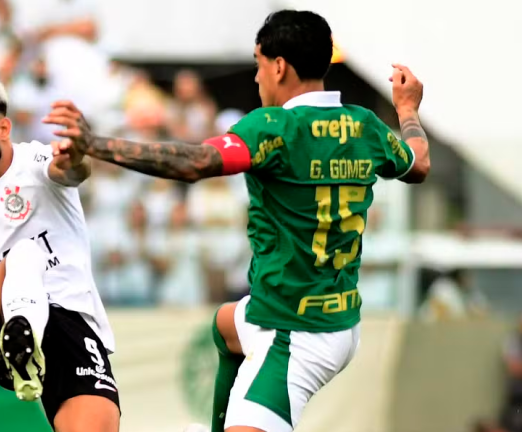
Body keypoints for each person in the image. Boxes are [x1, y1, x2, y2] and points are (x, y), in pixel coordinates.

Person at [43, 9, 430, 432]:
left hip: (295, 334)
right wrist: (407, 109)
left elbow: (195, 163)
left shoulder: (275, 127)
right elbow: (419, 163)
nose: (256, 77)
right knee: (227, 324)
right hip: (336, 316)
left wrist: (95, 143)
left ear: (279, 66)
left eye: (258, 64)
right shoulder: (364, 125)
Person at [0, 74, 119, 432]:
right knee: (24, 254)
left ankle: (31, 352)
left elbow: (73, 169)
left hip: (70, 329)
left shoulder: (36, 162)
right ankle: (22, 339)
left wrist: (78, 151)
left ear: (3, 128)